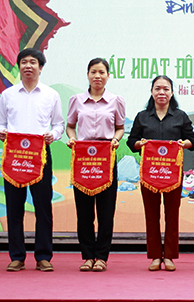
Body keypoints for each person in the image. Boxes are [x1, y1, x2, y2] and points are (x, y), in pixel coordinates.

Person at [0, 48, 65, 272]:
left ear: (41, 67)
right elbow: (1, 124)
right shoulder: (7, 95)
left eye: (33, 62)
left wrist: (52, 136)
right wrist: (2, 132)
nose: (28, 65)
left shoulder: (50, 95)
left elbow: (59, 125)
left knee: (43, 208)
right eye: (24, 62)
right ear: (18, 66)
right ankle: (16, 256)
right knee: (14, 207)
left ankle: (43, 256)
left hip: (41, 156)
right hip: (14, 158)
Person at [127, 75, 194, 272]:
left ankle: (171, 256)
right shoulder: (142, 116)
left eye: (166, 89)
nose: (161, 93)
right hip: (149, 173)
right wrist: (141, 144)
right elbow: (131, 142)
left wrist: (183, 144)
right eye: (157, 89)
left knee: (172, 214)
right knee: (152, 215)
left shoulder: (180, 116)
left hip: (173, 173)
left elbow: (192, 141)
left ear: (172, 92)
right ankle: (156, 256)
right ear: (152, 92)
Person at [66, 58, 125, 272]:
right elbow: (70, 126)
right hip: (83, 159)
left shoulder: (116, 100)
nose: (97, 76)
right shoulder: (76, 100)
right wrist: (72, 139)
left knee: (106, 210)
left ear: (108, 75)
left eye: (101, 72)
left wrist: (116, 139)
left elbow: (120, 127)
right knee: (84, 212)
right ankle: (87, 256)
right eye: (93, 72)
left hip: (106, 158)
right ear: (88, 75)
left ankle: (101, 257)